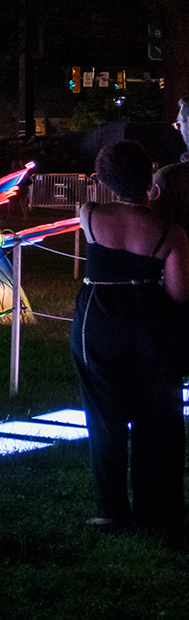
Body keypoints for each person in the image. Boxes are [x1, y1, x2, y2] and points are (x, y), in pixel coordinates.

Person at [72, 142, 188, 528]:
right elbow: (178, 293)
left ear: (103, 178)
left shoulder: (89, 214)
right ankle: (156, 508)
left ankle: (111, 510)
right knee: (156, 415)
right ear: (149, 177)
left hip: (97, 321)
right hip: (150, 322)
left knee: (104, 417)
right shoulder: (171, 231)